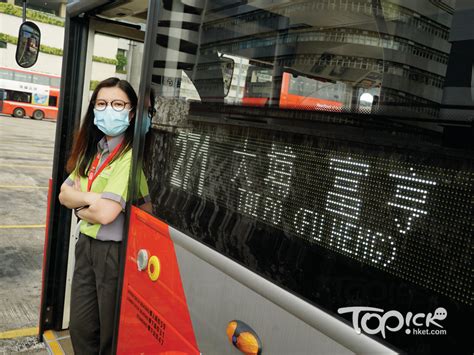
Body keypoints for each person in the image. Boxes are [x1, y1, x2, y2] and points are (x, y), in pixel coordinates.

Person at [58, 77, 148, 354]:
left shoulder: (129, 156)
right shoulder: (95, 152)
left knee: (109, 333)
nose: (109, 109)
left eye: (118, 104)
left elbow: (106, 213)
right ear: (94, 110)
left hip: (113, 253)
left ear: (131, 113)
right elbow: (63, 193)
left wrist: (82, 203)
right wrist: (89, 199)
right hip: (86, 245)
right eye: (102, 103)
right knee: (81, 327)